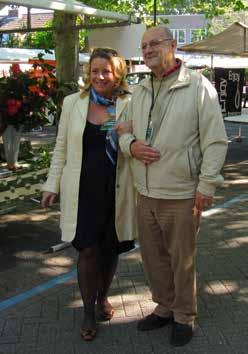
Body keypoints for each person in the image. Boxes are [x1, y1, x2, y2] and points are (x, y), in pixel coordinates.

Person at [117, 26, 228, 347]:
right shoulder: (139, 90)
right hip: (145, 190)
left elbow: (216, 141)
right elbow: (122, 130)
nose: (148, 49)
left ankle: (184, 316)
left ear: (173, 45)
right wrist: (130, 145)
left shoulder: (197, 87)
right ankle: (164, 307)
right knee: (152, 257)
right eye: (144, 45)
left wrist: (207, 184)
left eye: (155, 43)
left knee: (182, 259)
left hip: (181, 192)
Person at [41, 48, 136, 341]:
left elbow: (139, 142)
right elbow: (61, 147)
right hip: (82, 191)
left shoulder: (130, 104)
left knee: (111, 248)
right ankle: (87, 311)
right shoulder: (73, 103)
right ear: (88, 73)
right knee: (88, 250)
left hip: (117, 190)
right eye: (94, 71)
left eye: (106, 71)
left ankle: (103, 298)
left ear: (117, 73)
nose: (99, 76)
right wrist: (51, 183)